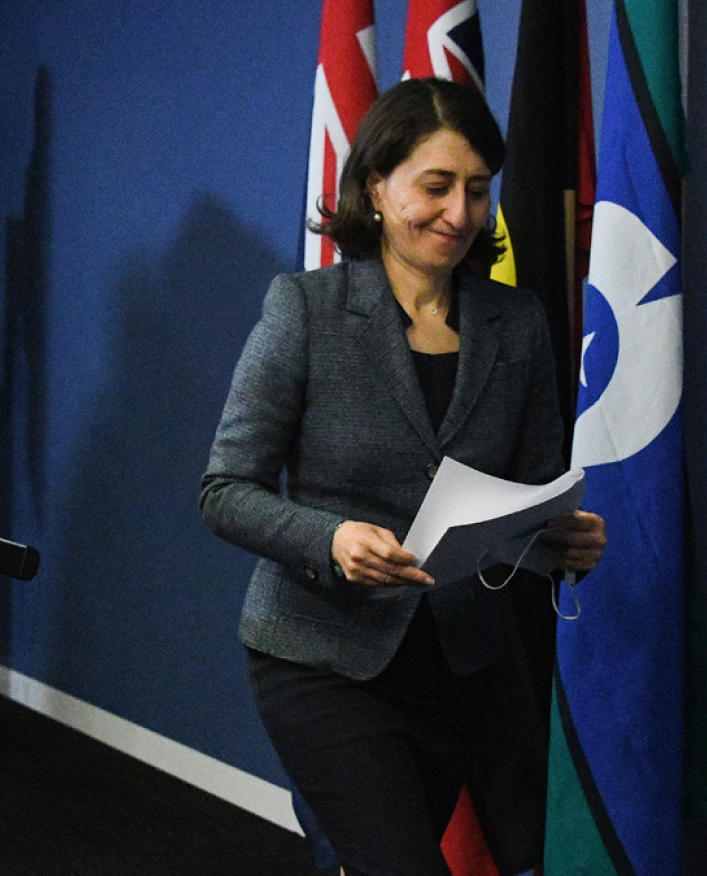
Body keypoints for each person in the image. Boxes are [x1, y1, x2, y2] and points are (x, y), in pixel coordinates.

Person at [199, 78, 607, 876]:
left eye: (477, 190)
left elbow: (527, 499)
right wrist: (332, 538)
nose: (459, 214)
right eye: (435, 186)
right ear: (376, 188)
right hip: (321, 659)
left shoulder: (514, 323)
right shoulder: (304, 310)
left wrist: (559, 542)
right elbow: (223, 491)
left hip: (459, 670)